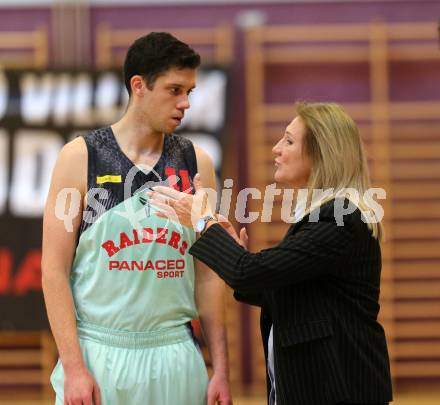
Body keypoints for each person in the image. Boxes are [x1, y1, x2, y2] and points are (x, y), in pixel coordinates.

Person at [149, 102, 393, 405]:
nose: (276, 149)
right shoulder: (325, 214)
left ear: (322, 153)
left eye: (289, 141)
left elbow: (248, 274)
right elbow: (276, 287)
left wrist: (203, 221)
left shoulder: (339, 217)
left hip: (339, 390)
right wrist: (232, 251)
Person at [42, 32, 232, 405]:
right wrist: (74, 367)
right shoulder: (80, 157)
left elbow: (208, 277)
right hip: (100, 352)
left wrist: (221, 369)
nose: (185, 103)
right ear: (139, 86)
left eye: (190, 92)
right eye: (175, 89)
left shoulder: (197, 163)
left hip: (175, 352)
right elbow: (53, 270)